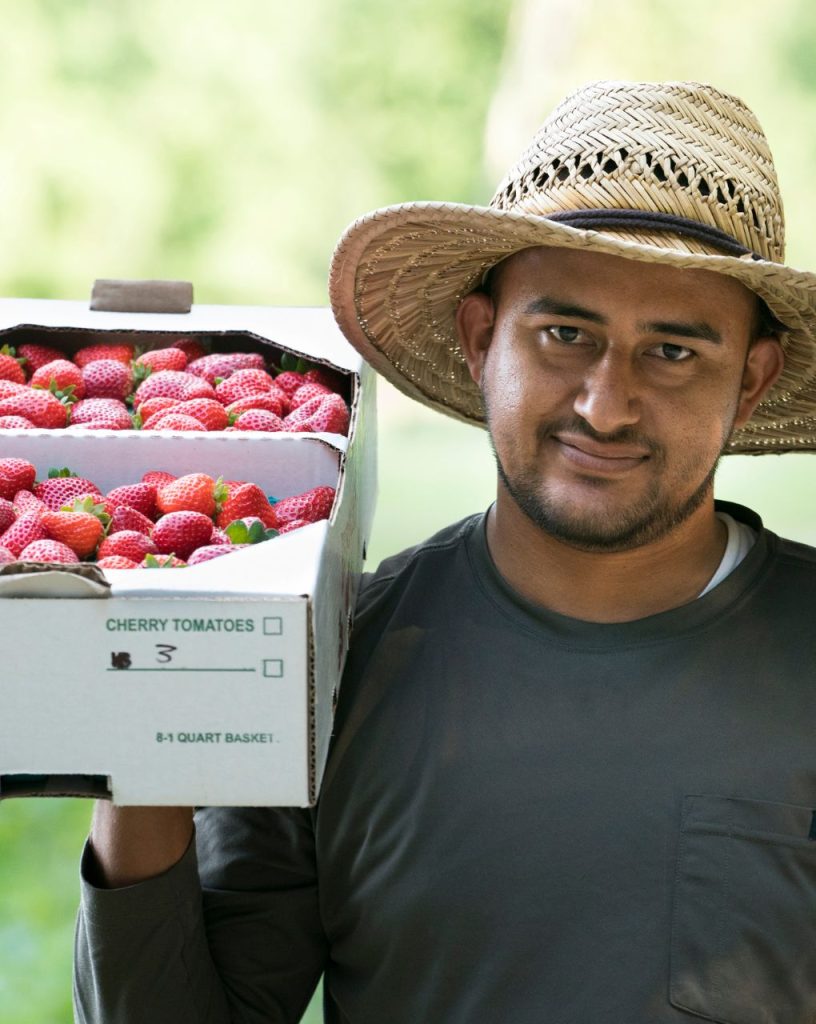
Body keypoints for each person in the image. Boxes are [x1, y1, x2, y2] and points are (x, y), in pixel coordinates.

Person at [74, 81, 816, 1023]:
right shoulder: (326, 669)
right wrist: (137, 747)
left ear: (750, 381)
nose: (605, 403)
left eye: (673, 353)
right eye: (564, 334)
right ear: (480, 339)